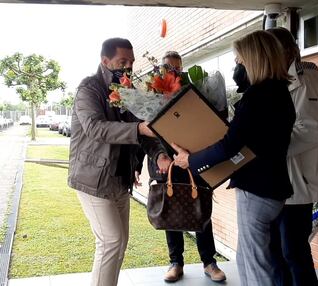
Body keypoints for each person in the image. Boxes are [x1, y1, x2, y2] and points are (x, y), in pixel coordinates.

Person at [172, 30, 296, 286]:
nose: (236, 66)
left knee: (255, 264)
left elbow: (229, 145)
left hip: (257, 191)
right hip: (274, 189)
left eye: (239, 60)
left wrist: (191, 160)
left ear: (253, 59)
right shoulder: (281, 93)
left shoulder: (258, 97)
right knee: (255, 259)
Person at [68, 37, 160, 286]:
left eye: (130, 61)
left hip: (121, 178)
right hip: (93, 179)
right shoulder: (89, 88)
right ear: (105, 61)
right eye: (122, 61)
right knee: (111, 241)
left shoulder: (129, 90)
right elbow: (95, 128)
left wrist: (159, 155)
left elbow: (144, 132)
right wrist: (140, 128)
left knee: (119, 245)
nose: (128, 67)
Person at [146, 50, 226, 283]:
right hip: (167, 164)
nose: (173, 72)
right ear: (160, 69)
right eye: (168, 68)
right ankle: (176, 263)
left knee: (202, 211)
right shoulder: (153, 91)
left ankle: (209, 262)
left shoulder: (195, 89)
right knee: (172, 213)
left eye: (176, 68)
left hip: (194, 160)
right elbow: (146, 134)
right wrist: (156, 157)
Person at [268, 27, 318, 286]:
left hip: (298, 182)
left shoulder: (305, 83)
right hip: (281, 180)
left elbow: (310, 131)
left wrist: (266, 147)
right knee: (277, 251)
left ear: (286, 52)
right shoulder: (280, 81)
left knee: (293, 251)